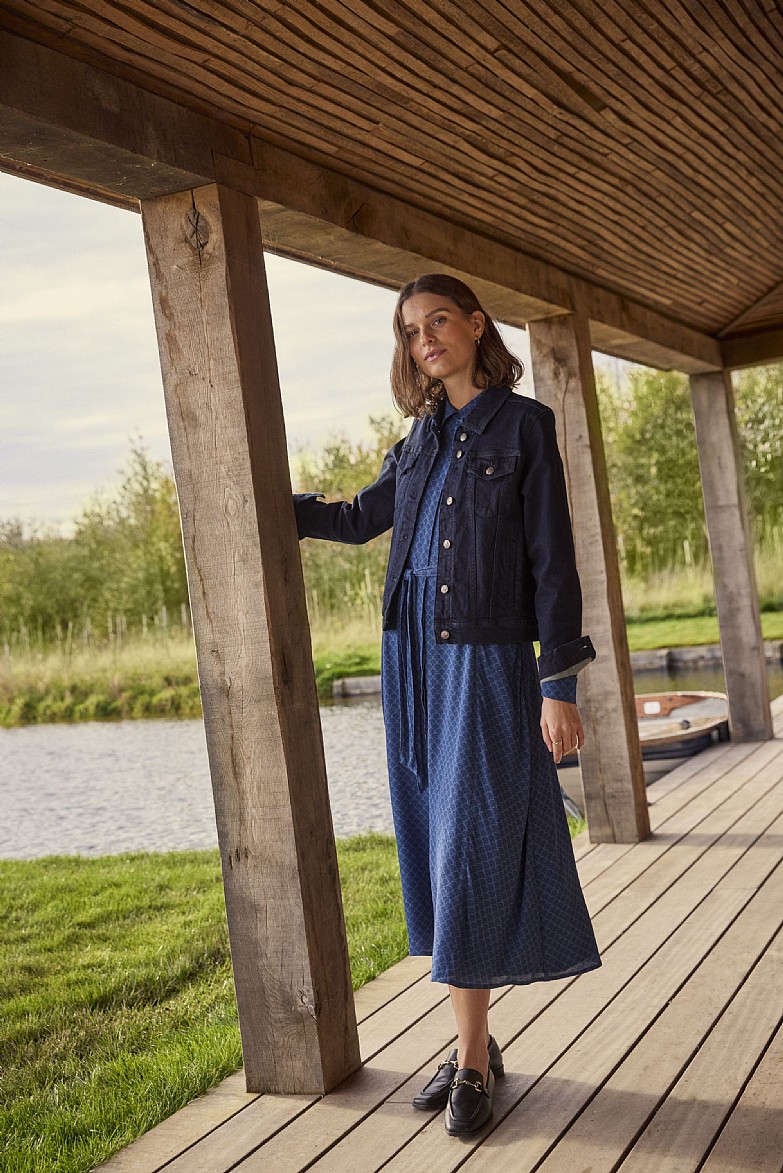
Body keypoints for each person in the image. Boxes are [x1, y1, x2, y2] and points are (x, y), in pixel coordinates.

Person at [293, 273, 601, 1137]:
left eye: (437, 321)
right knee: (437, 844)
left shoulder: (524, 425)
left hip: (484, 659)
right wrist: (271, 502)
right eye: (409, 329)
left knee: (469, 845)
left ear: (473, 324)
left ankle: (470, 1059)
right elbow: (359, 519)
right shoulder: (419, 438)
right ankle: (474, 1042)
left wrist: (556, 684)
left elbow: (553, 563)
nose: (424, 338)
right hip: (410, 661)